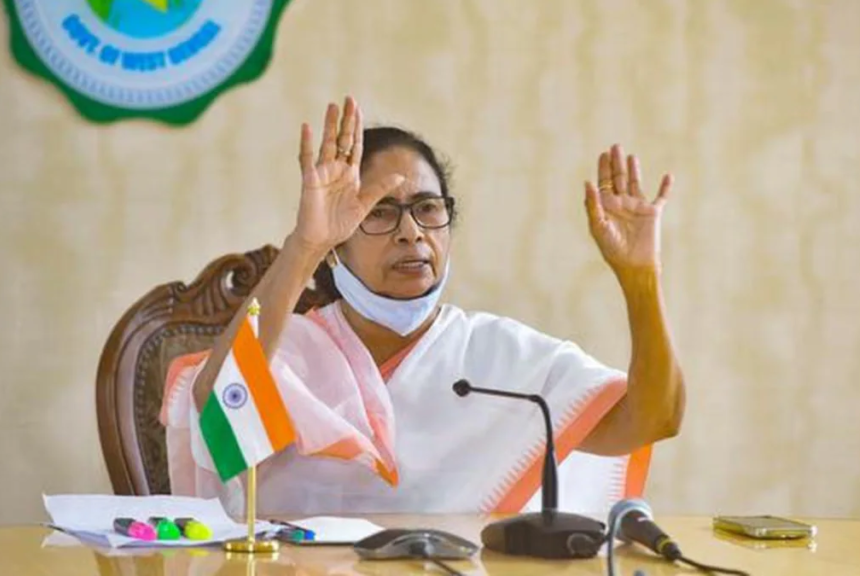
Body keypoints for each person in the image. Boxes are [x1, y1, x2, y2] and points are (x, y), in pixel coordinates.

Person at [160, 97, 685, 518]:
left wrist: (640, 279)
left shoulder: (500, 356)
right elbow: (218, 424)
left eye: (428, 209)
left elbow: (653, 419)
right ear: (337, 244)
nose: (411, 232)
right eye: (379, 212)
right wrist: (305, 245)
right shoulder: (289, 352)